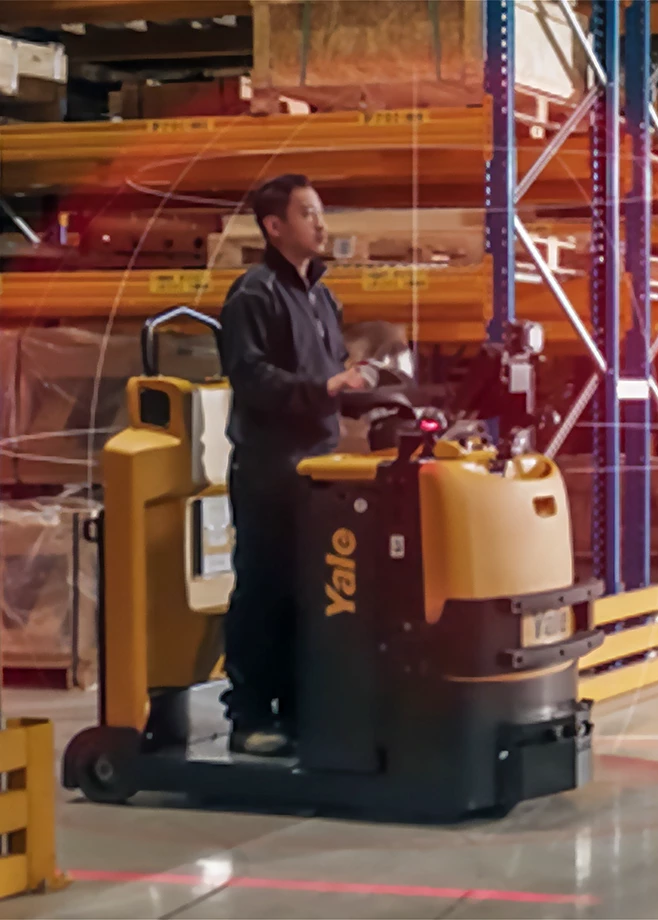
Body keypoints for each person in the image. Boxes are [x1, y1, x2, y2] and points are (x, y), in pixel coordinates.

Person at [217, 174, 370, 756]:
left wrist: (362, 382)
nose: (321, 224)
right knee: (265, 587)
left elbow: (329, 375)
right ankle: (250, 716)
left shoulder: (322, 295)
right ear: (274, 225)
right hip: (271, 468)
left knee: (314, 591)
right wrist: (324, 385)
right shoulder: (254, 294)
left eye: (321, 212)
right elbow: (252, 378)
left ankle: (303, 707)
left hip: (320, 466)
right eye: (307, 213)